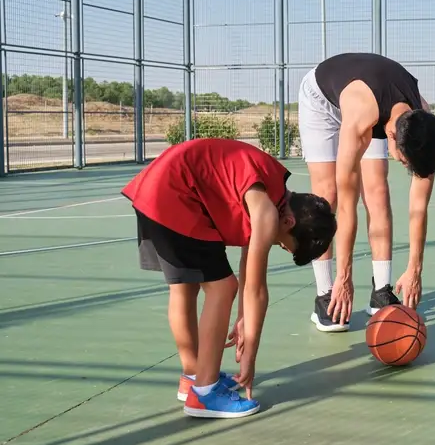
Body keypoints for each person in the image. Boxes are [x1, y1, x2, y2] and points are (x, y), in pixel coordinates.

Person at [121, 138, 336, 418]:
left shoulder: (270, 193)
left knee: (185, 287)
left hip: (157, 187)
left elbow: (251, 268)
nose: (279, 245)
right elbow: (257, 289)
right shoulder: (269, 213)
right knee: (223, 287)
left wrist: (244, 318)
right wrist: (250, 360)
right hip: (176, 193)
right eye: (285, 244)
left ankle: (193, 377)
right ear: (290, 223)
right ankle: (205, 393)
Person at [297, 52, 435, 332]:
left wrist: (415, 269)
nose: (406, 167)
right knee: (327, 195)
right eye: (403, 162)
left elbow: (418, 208)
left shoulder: (423, 127)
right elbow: (346, 204)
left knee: (377, 191)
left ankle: (381, 289)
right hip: (322, 99)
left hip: (377, 101)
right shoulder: (362, 118)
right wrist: (345, 277)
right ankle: (326, 293)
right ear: (391, 136)